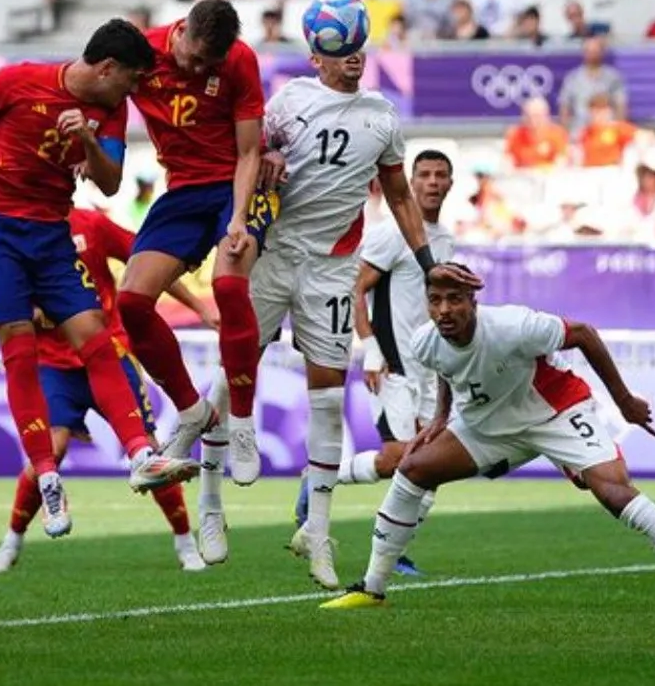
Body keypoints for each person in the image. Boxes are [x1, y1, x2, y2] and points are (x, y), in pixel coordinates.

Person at [195, 51, 478, 588]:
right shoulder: (290, 102)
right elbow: (249, 153)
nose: (352, 55)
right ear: (316, 56)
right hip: (273, 254)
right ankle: (210, 502)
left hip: (330, 268)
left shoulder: (381, 116)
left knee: (327, 399)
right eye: (339, 45)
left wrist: (428, 266)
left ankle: (318, 532)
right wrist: (265, 168)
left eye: (359, 45)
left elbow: (397, 194)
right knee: (232, 379)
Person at [323, 269, 655, 618]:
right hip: (489, 425)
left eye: (455, 300)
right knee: (413, 466)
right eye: (436, 300)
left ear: (474, 302)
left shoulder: (513, 325)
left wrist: (624, 401)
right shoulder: (426, 340)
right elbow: (446, 371)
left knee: (613, 492)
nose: (445, 309)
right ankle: (372, 589)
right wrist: (439, 417)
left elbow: (583, 333)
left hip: (555, 411)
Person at [0, 20, 195, 537]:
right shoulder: (16, 80)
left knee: (98, 339)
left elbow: (108, 183)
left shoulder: (110, 110)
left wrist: (87, 139)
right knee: (19, 348)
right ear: (107, 67)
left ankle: (140, 454)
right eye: (130, 79)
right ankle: (46, 474)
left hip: (51, 234)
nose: (134, 90)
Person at [0, 205, 218, 575]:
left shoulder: (91, 224)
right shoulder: (7, 230)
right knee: (52, 448)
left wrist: (199, 307)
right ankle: (11, 540)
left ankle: (185, 541)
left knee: (149, 452)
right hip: (53, 366)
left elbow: (147, 261)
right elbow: (3, 297)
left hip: (107, 352)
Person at [116, 0, 272, 475]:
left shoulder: (240, 59)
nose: (201, 68)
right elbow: (97, 91)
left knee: (228, 285)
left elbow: (249, 152)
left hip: (233, 186)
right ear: (180, 33)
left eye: (211, 63)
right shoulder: (140, 53)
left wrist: (239, 218)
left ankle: (241, 423)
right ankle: (193, 411)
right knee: (132, 302)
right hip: (182, 191)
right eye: (195, 58)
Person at [311, 150, 456, 578]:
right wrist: (370, 347)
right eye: (424, 175)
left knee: (431, 469)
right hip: (391, 364)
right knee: (398, 456)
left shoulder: (444, 239)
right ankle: (318, 483)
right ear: (411, 183)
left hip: (431, 372)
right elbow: (354, 289)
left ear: (450, 183)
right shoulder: (391, 234)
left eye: (440, 175)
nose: (432, 182)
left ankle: (396, 550)